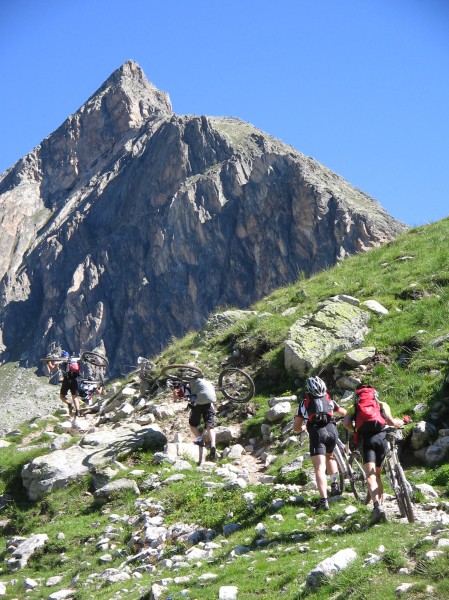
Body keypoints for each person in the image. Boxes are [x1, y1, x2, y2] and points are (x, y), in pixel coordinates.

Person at [343, 383, 411, 524]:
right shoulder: (381, 404)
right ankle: (382, 505)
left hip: (366, 441)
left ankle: (377, 506)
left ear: (358, 396)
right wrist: (404, 420)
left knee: (371, 475)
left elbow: (346, 423)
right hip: (381, 439)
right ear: (374, 394)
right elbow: (392, 422)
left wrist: (355, 430)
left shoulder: (354, 407)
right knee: (378, 473)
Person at [293, 376, 347, 511]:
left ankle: (323, 501)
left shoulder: (304, 403)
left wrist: (303, 428)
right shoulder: (329, 400)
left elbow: (296, 428)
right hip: (332, 431)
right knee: (330, 457)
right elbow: (343, 412)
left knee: (319, 468)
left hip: (318, 434)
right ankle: (335, 485)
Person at [173, 377, 217, 460]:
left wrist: (175, 389)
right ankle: (213, 444)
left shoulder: (186, 386)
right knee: (210, 426)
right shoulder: (205, 383)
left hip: (197, 405)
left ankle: (200, 440)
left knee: (192, 424)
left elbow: (176, 398)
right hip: (209, 404)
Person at [48, 351, 82, 420]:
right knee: (75, 397)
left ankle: (69, 404)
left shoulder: (61, 362)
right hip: (74, 380)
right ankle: (78, 412)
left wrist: (48, 361)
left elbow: (52, 368)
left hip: (67, 380)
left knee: (62, 396)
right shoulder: (73, 361)